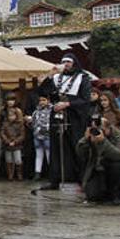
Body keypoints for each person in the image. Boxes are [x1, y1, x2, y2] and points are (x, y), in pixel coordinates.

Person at [38, 54, 92, 190]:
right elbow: (42, 91)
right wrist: (50, 75)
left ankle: (83, 180)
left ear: (74, 63)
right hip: (57, 116)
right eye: (63, 62)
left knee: (77, 148)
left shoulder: (83, 78)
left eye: (68, 62)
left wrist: (68, 104)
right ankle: (54, 180)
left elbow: (85, 100)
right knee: (55, 149)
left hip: (74, 117)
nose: (65, 64)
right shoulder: (57, 78)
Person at [76, 116, 120, 205]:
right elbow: (80, 154)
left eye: (101, 129)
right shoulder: (93, 136)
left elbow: (118, 155)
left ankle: (119, 196)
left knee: (118, 166)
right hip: (99, 167)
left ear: (109, 128)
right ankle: (104, 194)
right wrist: (85, 140)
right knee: (93, 196)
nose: (99, 132)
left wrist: (103, 141)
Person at [28, 95, 52, 181]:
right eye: (40, 100)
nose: (42, 102)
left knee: (49, 155)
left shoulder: (52, 110)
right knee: (39, 155)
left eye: (44, 100)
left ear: (48, 100)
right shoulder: (35, 112)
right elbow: (33, 123)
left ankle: (52, 173)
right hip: (37, 136)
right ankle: (37, 172)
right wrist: (30, 122)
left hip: (47, 136)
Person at [0, 108, 25, 181]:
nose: (11, 117)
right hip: (7, 144)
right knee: (9, 160)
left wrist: (15, 141)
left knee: (18, 160)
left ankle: (19, 174)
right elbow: (2, 133)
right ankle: (10, 175)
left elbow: (22, 135)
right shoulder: (5, 124)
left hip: (17, 145)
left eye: (13, 115)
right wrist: (7, 141)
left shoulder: (20, 124)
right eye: (9, 116)